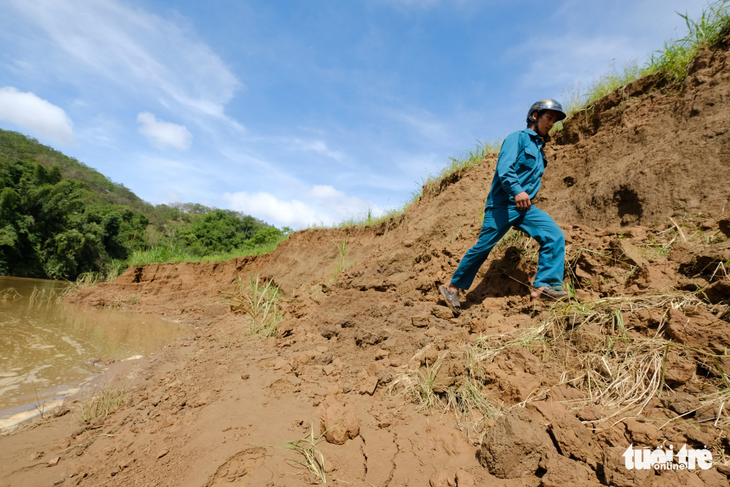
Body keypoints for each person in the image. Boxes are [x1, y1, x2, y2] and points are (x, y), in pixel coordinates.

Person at [439, 99, 568, 316]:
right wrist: (517, 190)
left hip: (525, 208)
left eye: (554, 120)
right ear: (535, 116)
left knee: (554, 235)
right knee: (483, 246)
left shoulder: (540, 151)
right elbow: (504, 168)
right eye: (549, 118)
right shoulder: (517, 138)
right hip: (503, 204)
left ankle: (544, 287)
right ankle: (453, 288)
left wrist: (524, 196)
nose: (551, 123)